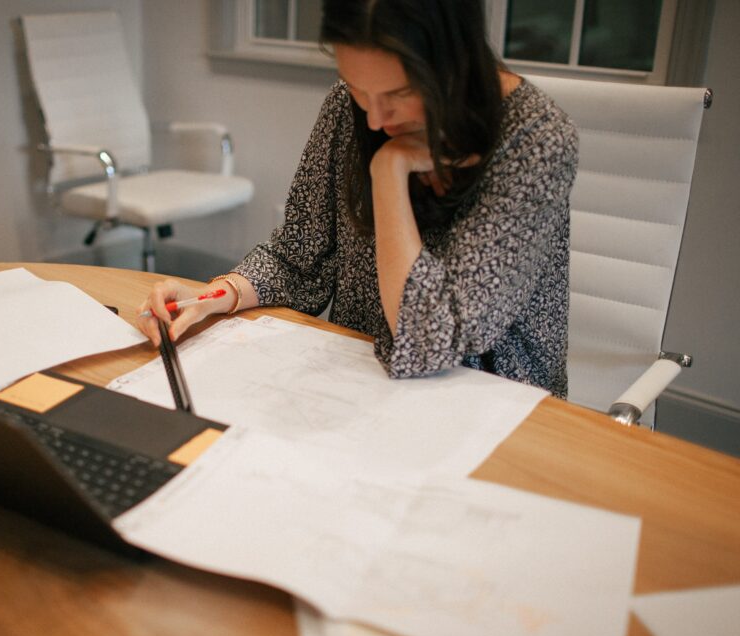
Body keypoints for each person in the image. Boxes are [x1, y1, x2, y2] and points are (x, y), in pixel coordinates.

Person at [137, 0, 578, 398]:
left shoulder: (534, 139)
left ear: (455, 62)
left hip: (493, 404)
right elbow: (298, 258)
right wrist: (214, 296)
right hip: (363, 381)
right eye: (356, 87)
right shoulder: (349, 106)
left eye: (400, 93)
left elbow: (426, 341)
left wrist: (388, 172)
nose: (375, 117)